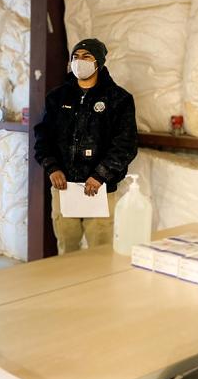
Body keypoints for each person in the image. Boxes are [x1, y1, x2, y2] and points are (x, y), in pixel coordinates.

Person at [34, 38, 138, 254]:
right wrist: (52, 167)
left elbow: (126, 144)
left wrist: (101, 174)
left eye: (86, 57)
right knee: (66, 249)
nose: (79, 62)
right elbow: (43, 136)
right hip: (64, 189)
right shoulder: (57, 97)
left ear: (98, 62)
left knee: (100, 252)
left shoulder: (119, 99)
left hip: (99, 190)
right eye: (76, 57)